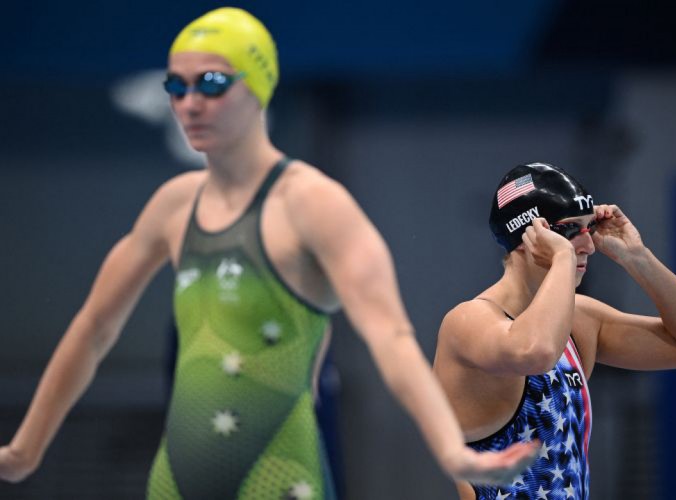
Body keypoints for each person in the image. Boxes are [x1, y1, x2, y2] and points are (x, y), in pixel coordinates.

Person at [0, 7, 539, 499]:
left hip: (281, 477)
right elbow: (94, 326)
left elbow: (391, 339)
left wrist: (450, 450)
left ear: (258, 85)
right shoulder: (171, 206)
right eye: (176, 86)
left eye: (211, 84)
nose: (189, 103)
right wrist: (24, 451)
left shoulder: (313, 205)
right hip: (174, 482)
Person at [432, 162, 676, 500]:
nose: (588, 246)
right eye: (571, 229)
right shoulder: (468, 322)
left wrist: (638, 258)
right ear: (528, 235)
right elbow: (538, 351)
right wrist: (561, 257)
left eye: (589, 228)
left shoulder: (581, 321)